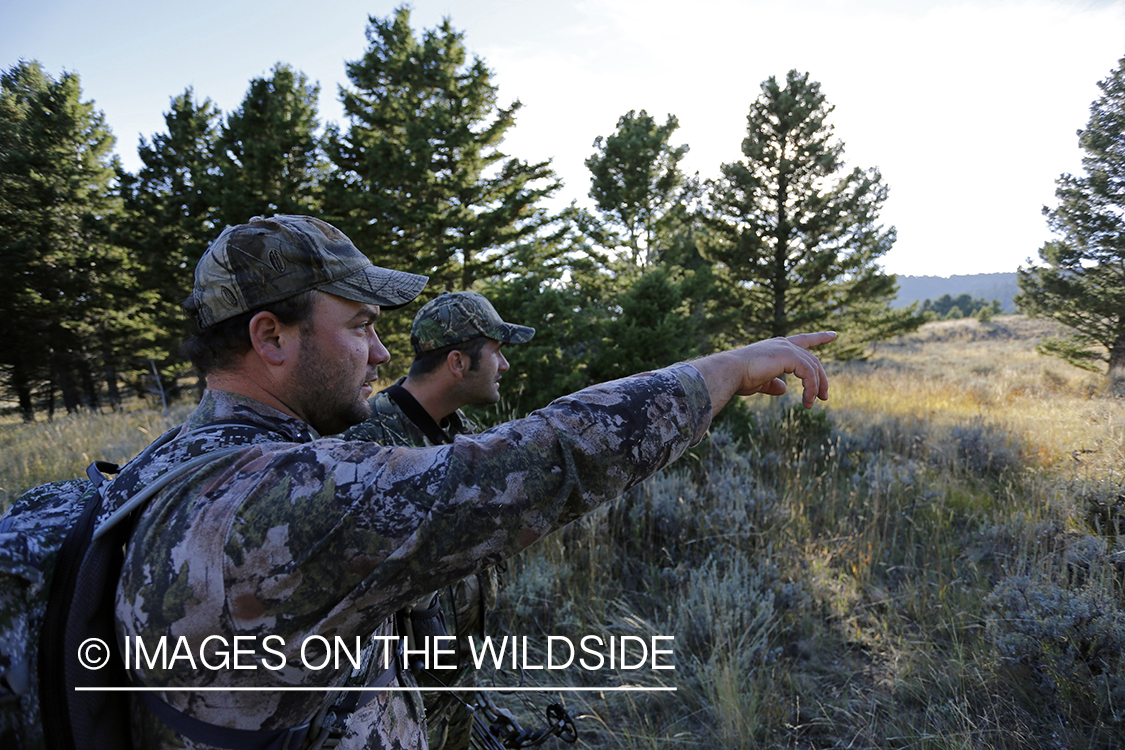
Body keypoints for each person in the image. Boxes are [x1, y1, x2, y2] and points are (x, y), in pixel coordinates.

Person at [111, 214, 834, 750]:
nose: (381, 350)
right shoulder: (270, 499)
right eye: (360, 325)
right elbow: (543, 461)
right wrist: (720, 374)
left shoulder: (170, 463)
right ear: (270, 337)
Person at [341, 291, 535, 750]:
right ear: (457, 362)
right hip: (397, 701)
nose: (504, 365)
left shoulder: (459, 435)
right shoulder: (368, 442)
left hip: (456, 684)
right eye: (496, 352)